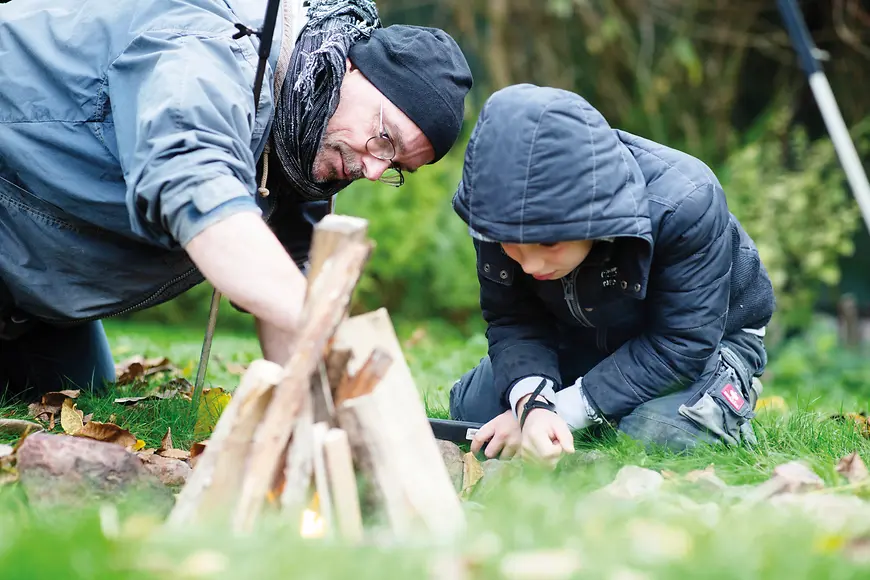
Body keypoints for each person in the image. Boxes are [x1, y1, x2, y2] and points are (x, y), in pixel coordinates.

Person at [0, 0, 473, 398]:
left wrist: (332, 413)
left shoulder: (301, 143)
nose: (372, 169)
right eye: (384, 138)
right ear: (350, 68)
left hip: (31, 298)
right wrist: (331, 337)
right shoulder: (215, 53)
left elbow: (290, 284)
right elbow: (195, 188)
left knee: (85, 391)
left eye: (395, 168)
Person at [449, 84, 775, 464]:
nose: (530, 265)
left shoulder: (685, 204)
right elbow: (513, 318)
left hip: (705, 343)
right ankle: (599, 403)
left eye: (549, 245)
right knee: (475, 414)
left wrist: (565, 413)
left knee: (660, 439)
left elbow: (682, 343)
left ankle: (723, 403)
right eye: (511, 247)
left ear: (591, 214)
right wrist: (531, 406)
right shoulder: (493, 209)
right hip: (579, 331)